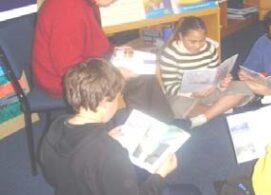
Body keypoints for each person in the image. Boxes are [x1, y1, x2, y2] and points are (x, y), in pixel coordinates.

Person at [39, 58, 201, 195]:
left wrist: (104, 137)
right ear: (104, 103)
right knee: (192, 191)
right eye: (117, 98)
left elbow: (52, 175)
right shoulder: (112, 153)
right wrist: (160, 174)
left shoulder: (57, 126)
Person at [32, 0, 174, 122]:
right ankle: (148, 133)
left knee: (142, 72)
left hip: (84, 66)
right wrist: (115, 74)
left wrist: (115, 51)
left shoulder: (86, 3)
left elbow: (91, 42)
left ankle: (163, 124)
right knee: (138, 80)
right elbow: (70, 71)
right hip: (64, 81)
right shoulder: (68, 10)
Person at [158, 16, 253, 128]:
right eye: (192, 42)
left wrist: (221, 83)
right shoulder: (169, 53)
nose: (198, 46)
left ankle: (205, 117)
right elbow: (170, 87)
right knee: (174, 105)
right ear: (181, 36)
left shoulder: (210, 48)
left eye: (202, 40)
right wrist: (192, 93)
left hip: (209, 91)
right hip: (184, 95)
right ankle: (219, 110)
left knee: (242, 87)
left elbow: (214, 75)